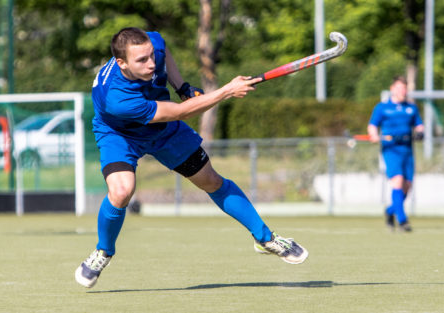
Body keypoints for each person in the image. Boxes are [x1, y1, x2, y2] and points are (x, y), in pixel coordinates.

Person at [75, 27, 308, 288]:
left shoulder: (151, 44)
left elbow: (164, 52)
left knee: (210, 181)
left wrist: (182, 86)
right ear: (122, 63)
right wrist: (226, 91)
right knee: (121, 191)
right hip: (120, 135)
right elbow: (179, 112)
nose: (152, 63)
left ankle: (265, 239)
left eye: (152, 56)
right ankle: (103, 252)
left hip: (162, 131)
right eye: (142, 61)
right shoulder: (116, 98)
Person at [367, 76, 424, 232]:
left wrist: (420, 132)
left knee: (407, 187)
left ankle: (390, 210)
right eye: (399, 88)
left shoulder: (411, 108)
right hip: (391, 149)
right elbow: (372, 126)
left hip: (407, 150)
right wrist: (373, 135)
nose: (402, 91)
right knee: (397, 181)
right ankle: (403, 220)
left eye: (404, 88)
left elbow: (419, 125)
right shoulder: (382, 107)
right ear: (392, 89)